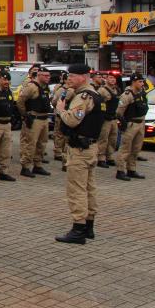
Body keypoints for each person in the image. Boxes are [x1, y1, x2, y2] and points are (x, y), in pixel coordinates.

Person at [54, 64, 103, 245]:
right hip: (89, 147)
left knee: (77, 189)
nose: (69, 79)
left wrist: (61, 109)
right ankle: (89, 226)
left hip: (80, 150)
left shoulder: (83, 96)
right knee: (89, 187)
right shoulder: (93, 94)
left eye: (72, 76)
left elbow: (72, 120)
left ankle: (78, 229)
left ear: (83, 77)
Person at [18, 67, 52, 178]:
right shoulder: (31, 87)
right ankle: (26, 167)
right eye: (45, 76)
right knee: (30, 143)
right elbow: (20, 101)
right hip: (34, 119)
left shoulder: (44, 87)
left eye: (49, 76)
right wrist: (25, 115)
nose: (48, 78)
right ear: (39, 75)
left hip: (44, 118)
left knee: (42, 143)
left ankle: (37, 165)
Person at [115, 74, 149, 181]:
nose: (142, 84)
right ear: (133, 82)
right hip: (131, 124)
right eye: (140, 82)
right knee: (125, 148)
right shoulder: (127, 95)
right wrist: (123, 124)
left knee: (136, 148)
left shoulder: (141, 93)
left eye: (142, 81)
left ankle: (131, 169)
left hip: (140, 123)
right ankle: (120, 171)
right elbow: (119, 112)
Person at [96, 73, 120, 168]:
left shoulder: (116, 90)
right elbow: (97, 103)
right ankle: (100, 158)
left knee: (113, 139)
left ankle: (110, 157)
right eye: (110, 77)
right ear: (106, 79)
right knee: (103, 139)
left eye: (114, 78)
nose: (113, 79)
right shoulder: (102, 90)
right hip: (105, 119)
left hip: (114, 118)